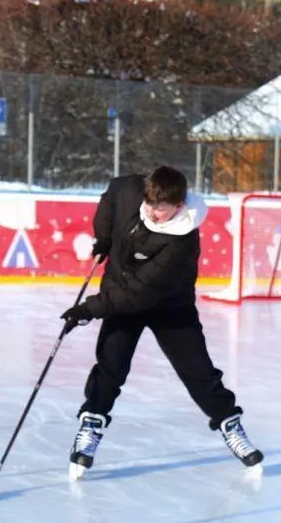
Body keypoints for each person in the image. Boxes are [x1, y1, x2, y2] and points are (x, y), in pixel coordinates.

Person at [60, 165, 263, 479]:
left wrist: (88, 309)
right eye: (149, 205)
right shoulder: (133, 192)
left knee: (198, 371)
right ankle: (91, 425)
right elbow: (112, 193)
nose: (153, 214)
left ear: (179, 205)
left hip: (169, 304)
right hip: (120, 291)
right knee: (111, 365)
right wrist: (104, 238)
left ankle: (229, 424)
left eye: (162, 210)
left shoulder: (182, 243)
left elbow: (139, 294)